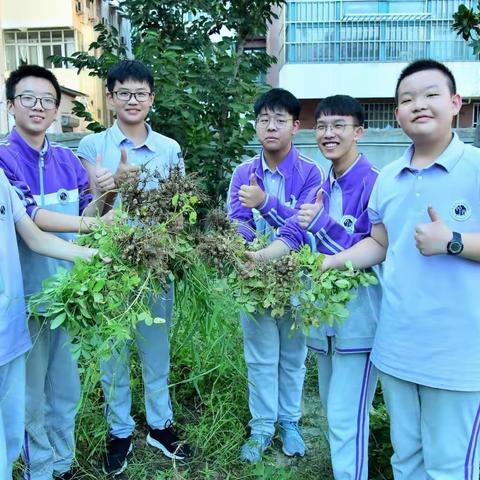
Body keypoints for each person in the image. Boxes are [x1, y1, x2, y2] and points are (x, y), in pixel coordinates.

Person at [323, 59, 480, 479]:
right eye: (407, 99)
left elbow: (453, 242)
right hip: (396, 347)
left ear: (455, 103)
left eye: (431, 95)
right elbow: (379, 243)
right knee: (405, 460)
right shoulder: (388, 177)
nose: (419, 105)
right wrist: (332, 262)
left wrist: (454, 241)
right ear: (396, 114)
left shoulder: (477, 168)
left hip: (458, 355)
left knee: (450, 466)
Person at [248, 95, 381, 479]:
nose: (328, 134)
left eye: (338, 126)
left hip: (360, 322)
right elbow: (293, 232)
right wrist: (255, 259)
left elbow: (373, 250)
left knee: (344, 417)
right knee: (332, 411)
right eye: (322, 126)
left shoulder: (374, 183)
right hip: (324, 323)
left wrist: (322, 226)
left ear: (359, 131)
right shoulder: (324, 183)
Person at [76, 59, 189, 476]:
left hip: (155, 267)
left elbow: (178, 209)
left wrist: (177, 237)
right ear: (110, 97)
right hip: (108, 265)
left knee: (156, 349)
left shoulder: (169, 149)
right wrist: (116, 188)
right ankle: (120, 430)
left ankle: (160, 425)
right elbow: (92, 213)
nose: (133, 100)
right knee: (112, 352)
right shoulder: (92, 148)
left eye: (141, 93)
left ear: (151, 98)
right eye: (124, 93)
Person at [0, 64, 112, 480]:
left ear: (57, 108)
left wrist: (105, 191)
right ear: (11, 106)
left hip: (70, 297)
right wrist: (95, 225)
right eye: (27, 98)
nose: (38, 107)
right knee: (31, 397)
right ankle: (40, 469)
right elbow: (34, 220)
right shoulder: (3, 159)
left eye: (47, 100)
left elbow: (91, 213)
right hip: (25, 302)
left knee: (65, 390)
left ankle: (63, 465)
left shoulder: (67, 159)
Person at [227, 87, 325, 463]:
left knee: (293, 355)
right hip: (254, 281)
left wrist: (260, 245)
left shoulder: (310, 173)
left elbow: (300, 228)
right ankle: (263, 426)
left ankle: (290, 421)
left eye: (280, 120)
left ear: (295, 126)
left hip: (296, 275)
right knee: (260, 356)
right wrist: (240, 246)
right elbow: (237, 220)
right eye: (264, 120)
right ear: (255, 126)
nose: (271, 127)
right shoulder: (244, 172)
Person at [0, 167, 96, 480]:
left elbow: (36, 237)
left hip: (11, 329)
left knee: (12, 432)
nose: (39, 112)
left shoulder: (2, 183)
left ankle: (57, 468)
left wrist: (92, 256)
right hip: (23, 317)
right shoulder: (7, 163)